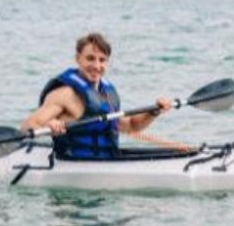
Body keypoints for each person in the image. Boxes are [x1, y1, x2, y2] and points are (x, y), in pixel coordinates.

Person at [21, 32, 172, 159]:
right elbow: (28, 126)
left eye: (102, 60)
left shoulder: (106, 93)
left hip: (106, 166)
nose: (96, 66)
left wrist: (154, 112)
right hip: (71, 169)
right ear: (78, 59)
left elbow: (131, 126)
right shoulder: (64, 94)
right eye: (90, 58)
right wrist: (50, 124)